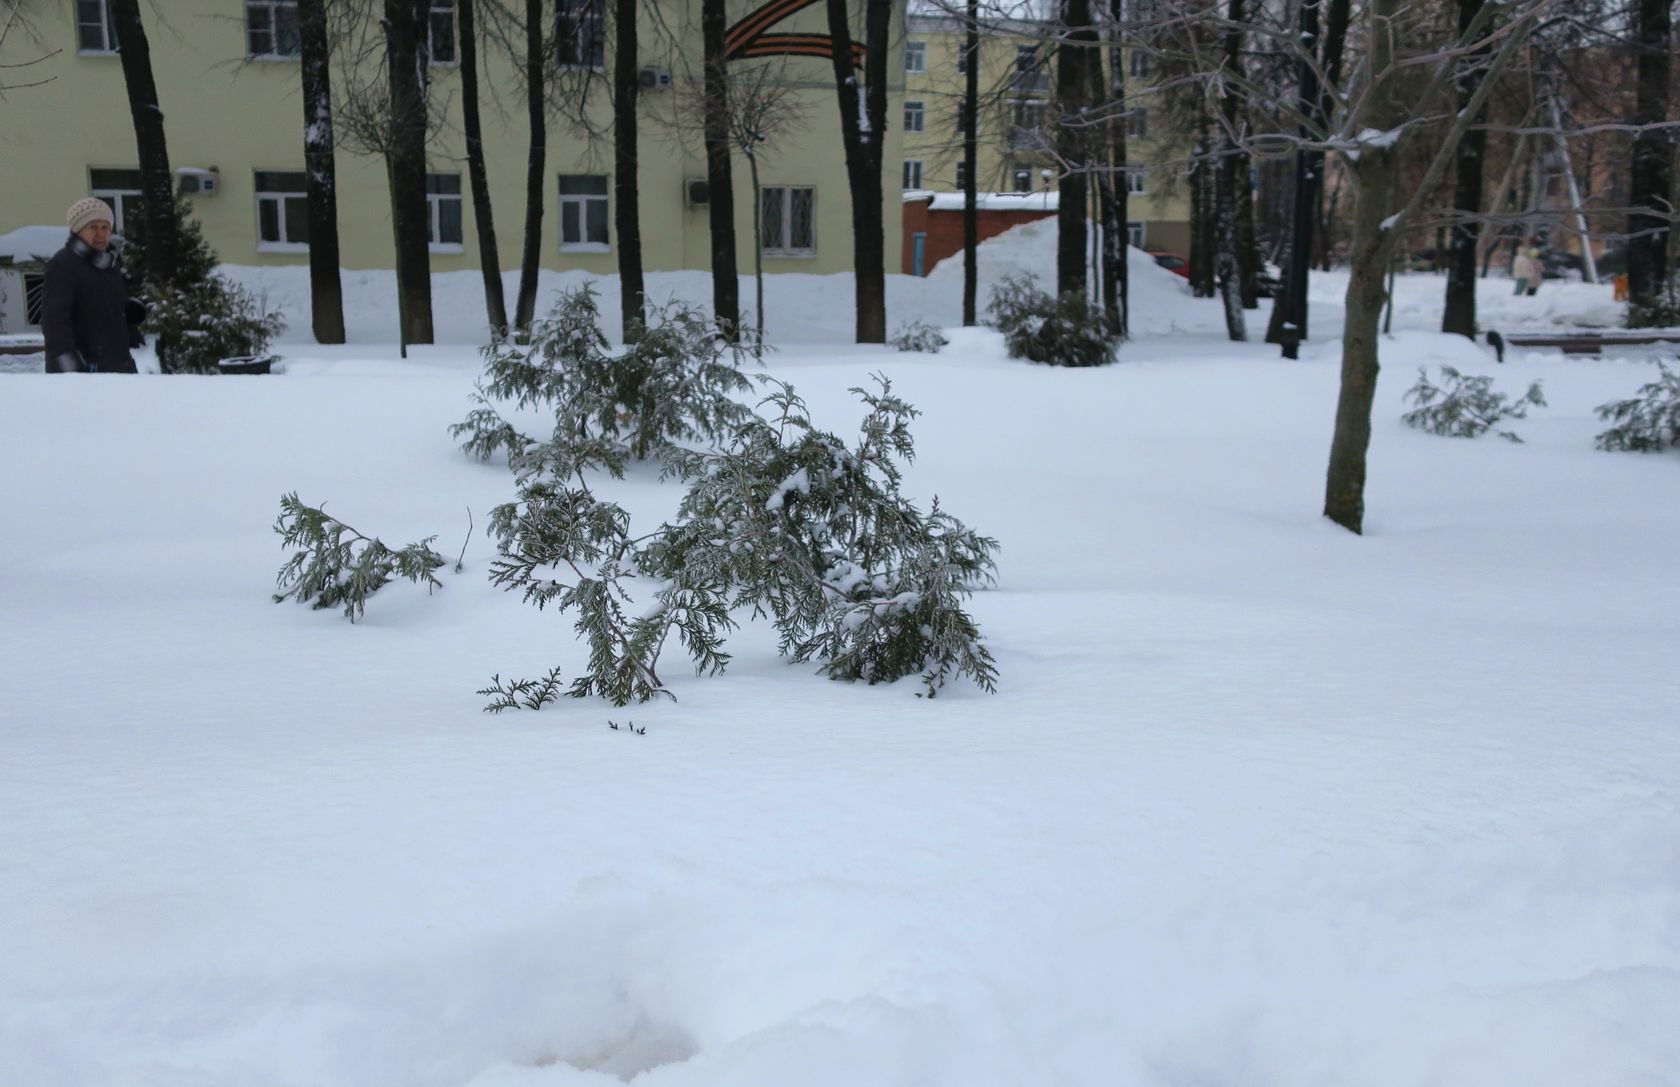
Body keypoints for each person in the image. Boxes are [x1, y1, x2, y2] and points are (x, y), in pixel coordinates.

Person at [41, 197, 142, 374]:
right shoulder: (64, 264)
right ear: (77, 230)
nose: (101, 234)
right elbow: (54, 322)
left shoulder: (109, 264)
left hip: (118, 364)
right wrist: (73, 369)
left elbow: (100, 307)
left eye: (105, 227)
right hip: (85, 371)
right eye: (93, 227)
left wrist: (129, 315)